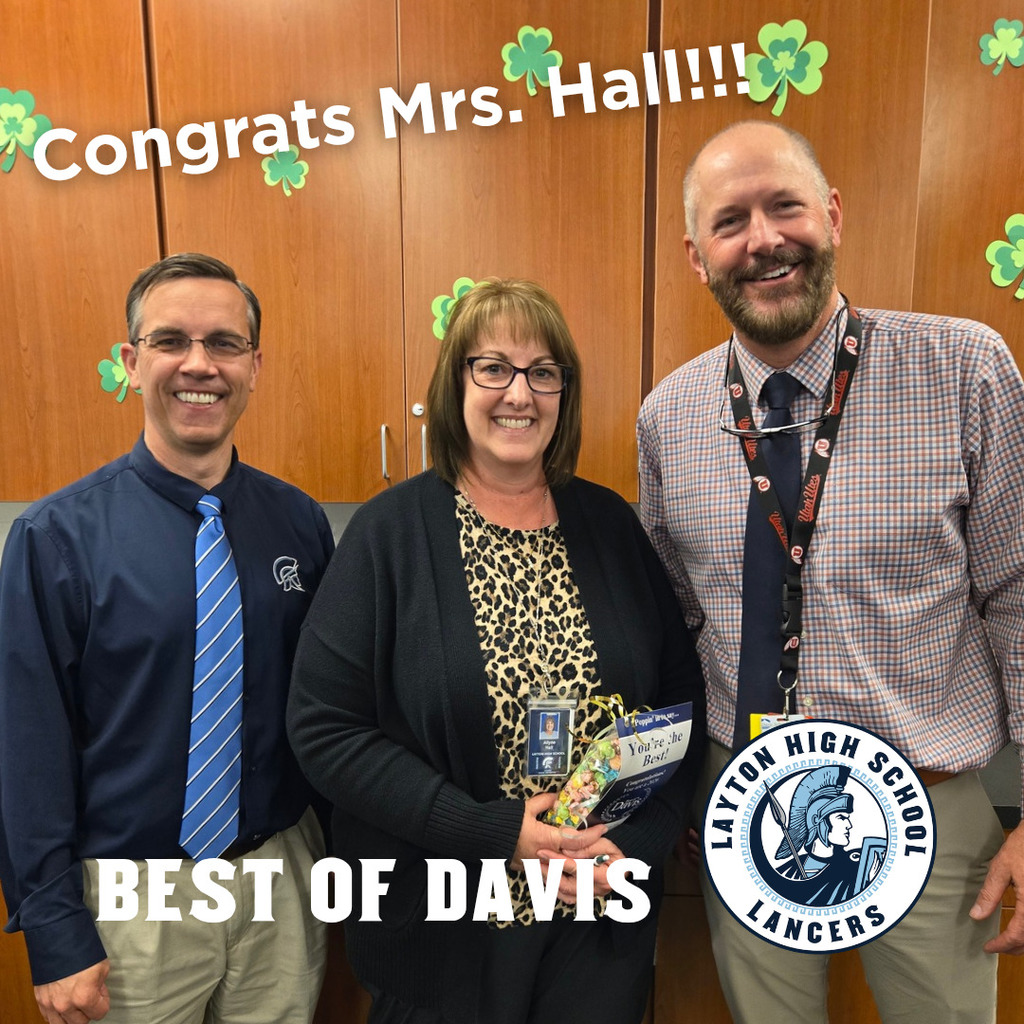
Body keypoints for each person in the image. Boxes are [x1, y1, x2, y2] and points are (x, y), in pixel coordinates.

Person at [637, 119, 1024, 1023]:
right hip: (749, 810)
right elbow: (675, 627)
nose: (764, 239)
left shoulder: (963, 368)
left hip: (929, 802)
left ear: (834, 215)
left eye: (785, 206)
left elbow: (1020, 591)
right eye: (730, 221)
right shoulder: (669, 416)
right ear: (698, 258)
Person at [287, 278, 706, 1024]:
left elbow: (679, 703)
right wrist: (496, 832)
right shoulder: (390, 536)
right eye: (494, 368)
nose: (520, 392)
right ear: (456, 386)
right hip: (442, 924)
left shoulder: (609, 525)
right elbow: (325, 729)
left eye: (544, 372)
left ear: (564, 395)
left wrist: (633, 845)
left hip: (593, 924)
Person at [0, 254, 334, 1024]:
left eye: (223, 343)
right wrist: (54, 931)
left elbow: (329, 716)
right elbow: (29, 750)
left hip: (279, 883)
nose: (198, 365)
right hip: (129, 902)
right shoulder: (56, 539)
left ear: (255, 365)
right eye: (170, 341)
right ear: (130, 362)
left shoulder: (301, 525)